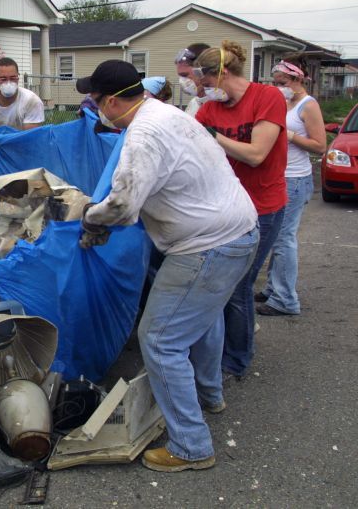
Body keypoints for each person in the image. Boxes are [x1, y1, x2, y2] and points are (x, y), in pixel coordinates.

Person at [77, 60, 258, 472]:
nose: (94, 106)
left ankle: (191, 447)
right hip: (239, 230)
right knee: (202, 317)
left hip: (208, 245)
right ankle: (209, 394)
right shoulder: (165, 111)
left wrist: (91, 217)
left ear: (112, 101)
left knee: (160, 339)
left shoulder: (143, 135)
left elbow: (122, 207)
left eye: (96, 99)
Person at [193, 41, 288, 378]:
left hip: (263, 206)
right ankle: (219, 353)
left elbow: (256, 154)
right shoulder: (209, 110)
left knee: (239, 284)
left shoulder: (267, 98)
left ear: (221, 74)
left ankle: (237, 359)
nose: (202, 92)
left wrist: (213, 136)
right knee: (220, 284)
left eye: (205, 84)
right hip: (226, 208)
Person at [256, 55, 326, 316]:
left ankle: (285, 299)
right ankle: (274, 288)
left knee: (284, 239)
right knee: (274, 238)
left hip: (295, 180)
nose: (278, 85)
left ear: (297, 78)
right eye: (275, 81)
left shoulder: (308, 105)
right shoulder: (285, 102)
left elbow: (320, 146)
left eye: (283, 81)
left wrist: (291, 134)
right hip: (279, 176)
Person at [0, 57, 45, 131]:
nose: (8, 83)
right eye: (3, 79)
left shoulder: (31, 101)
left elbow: (29, 137)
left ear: (18, 77)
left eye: (13, 78)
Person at [175, 43, 210, 116]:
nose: (182, 80)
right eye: (180, 76)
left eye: (185, 75)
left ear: (202, 71)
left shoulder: (223, 104)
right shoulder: (194, 103)